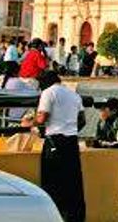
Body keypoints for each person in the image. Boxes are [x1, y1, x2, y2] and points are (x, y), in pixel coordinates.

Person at [30, 70, 86, 222]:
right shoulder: (74, 94)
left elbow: (42, 117)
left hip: (54, 141)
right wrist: (70, 129)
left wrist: (30, 122)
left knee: (52, 182)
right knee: (73, 182)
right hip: (71, 142)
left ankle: (55, 216)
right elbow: (82, 120)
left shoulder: (48, 93)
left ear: (45, 82)